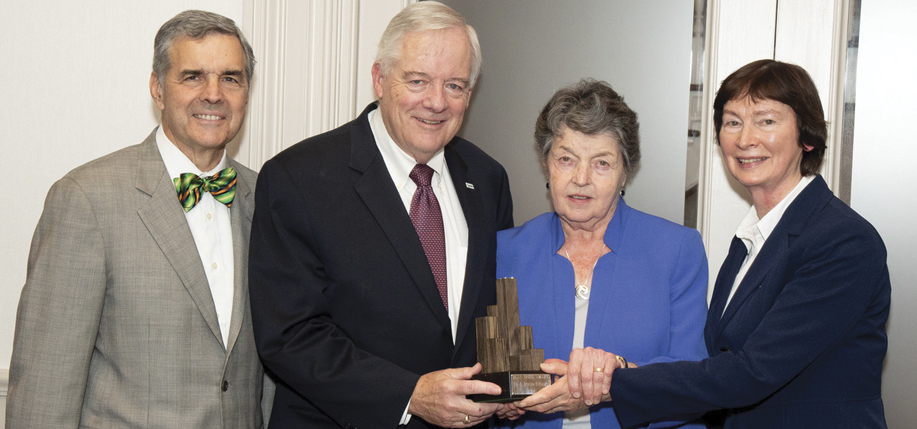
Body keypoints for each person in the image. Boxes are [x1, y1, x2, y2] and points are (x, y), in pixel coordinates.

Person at [573, 60, 890, 428]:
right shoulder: (750, 240)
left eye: (766, 121)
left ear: (807, 136)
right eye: (733, 122)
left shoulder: (843, 241)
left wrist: (615, 382)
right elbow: (714, 361)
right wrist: (622, 369)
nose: (744, 139)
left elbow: (752, 372)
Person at [247, 2, 513, 428]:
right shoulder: (297, 178)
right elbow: (290, 336)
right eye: (418, 80)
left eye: (455, 86)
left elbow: (495, 316)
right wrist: (409, 395)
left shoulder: (487, 179)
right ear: (379, 79)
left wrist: (509, 391)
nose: (436, 102)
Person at [6, 10, 273, 428]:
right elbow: (46, 383)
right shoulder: (87, 200)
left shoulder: (269, 201)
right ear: (157, 88)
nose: (213, 94)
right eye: (192, 76)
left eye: (231, 78)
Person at [494, 79, 708, 429]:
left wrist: (619, 377)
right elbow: (497, 372)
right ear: (547, 164)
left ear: (626, 171)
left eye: (601, 163)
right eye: (566, 159)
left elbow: (692, 380)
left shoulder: (677, 251)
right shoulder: (508, 251)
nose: (581, 178)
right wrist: (502, 402)